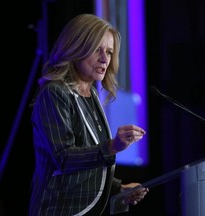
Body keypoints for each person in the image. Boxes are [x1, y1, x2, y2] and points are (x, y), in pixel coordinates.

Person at [28, 13, 149, 216]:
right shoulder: (55, 93)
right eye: (97, 50)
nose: (105, 59)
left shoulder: (91, 92)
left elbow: (87, 157)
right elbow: (63, 158)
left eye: (109, 52)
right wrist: (112, 146)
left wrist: (117, 188)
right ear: (76, 47)